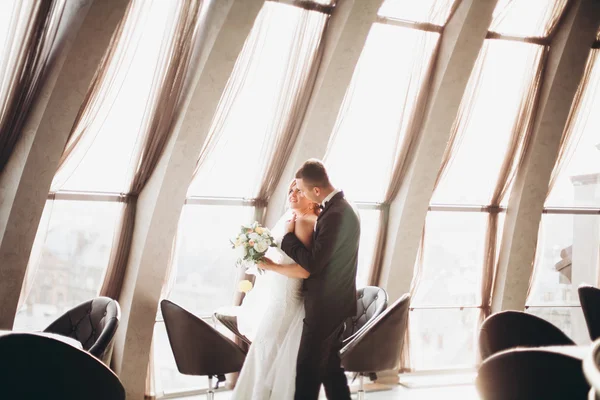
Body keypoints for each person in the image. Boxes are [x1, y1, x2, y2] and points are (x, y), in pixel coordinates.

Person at [231, 180, 319, 399]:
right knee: (265, 355)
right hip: (276, 297)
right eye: (291, 190)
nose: (293, 194)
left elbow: (305, 270)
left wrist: (270, 265)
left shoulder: (307, 222)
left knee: (268, 355)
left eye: (299, 190)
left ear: (312, 196)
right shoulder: (291, 218)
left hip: (287, 300)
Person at [281, 159, 360, 400]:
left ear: (316, 190)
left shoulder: (336, 213)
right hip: (335, 303)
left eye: (302, 190)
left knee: (307, 371)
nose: (300, 194)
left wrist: (287, 240)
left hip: (327, 306)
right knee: (330, 370)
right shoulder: (340, 208)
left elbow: (314, 264)